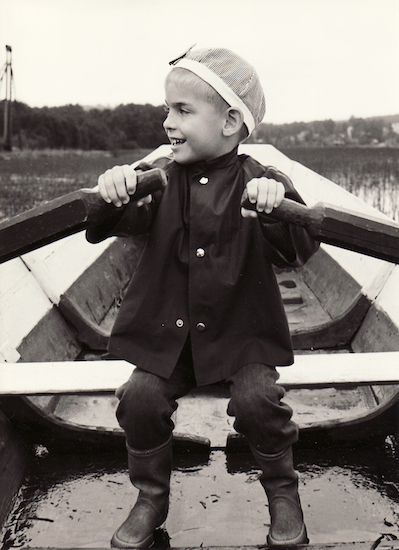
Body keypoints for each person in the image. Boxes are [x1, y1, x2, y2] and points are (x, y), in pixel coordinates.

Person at [86, 46, 319, 548]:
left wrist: (277, 208)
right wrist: (112, 188)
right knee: (139, 399)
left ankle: (282, 491)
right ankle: (151, 497)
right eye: (166, 108)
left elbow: (300, 248)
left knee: (257, 400)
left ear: (232, 121)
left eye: (182, 111)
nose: (166, 122)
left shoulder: (262, 182)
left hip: (241, 338)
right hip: (169, 341)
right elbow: (109, 221)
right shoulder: (157, 178)